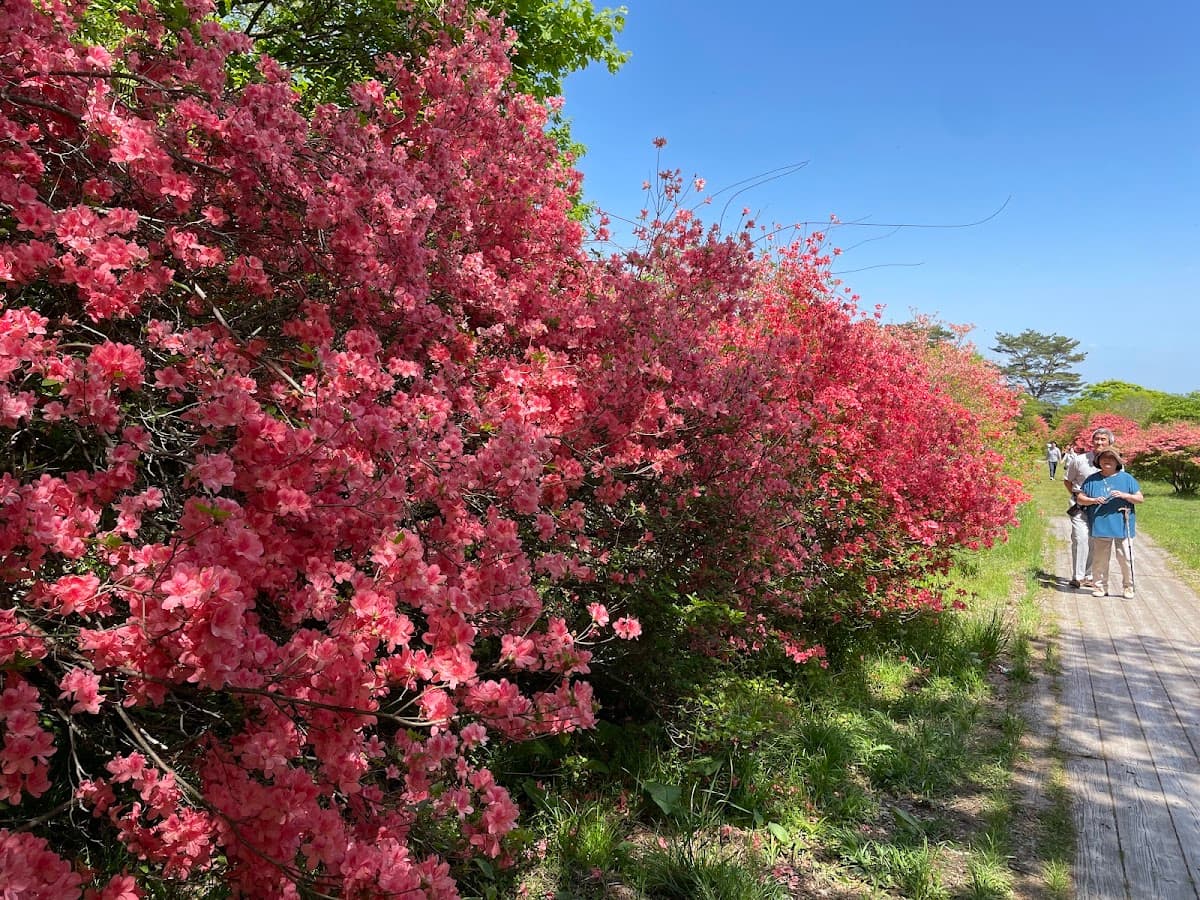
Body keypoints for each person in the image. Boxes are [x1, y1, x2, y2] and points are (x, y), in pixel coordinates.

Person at [1077, 447, 1143, 598]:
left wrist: (1125, 495)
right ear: (1098, 461)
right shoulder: (1092, 480)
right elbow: (1080, 498)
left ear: (1117, 462)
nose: (1107, 461)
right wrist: (1092, 500)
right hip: (1101, 523)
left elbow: (1140, 498)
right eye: (1103, 458)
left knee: (1126, 556)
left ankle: (1128, 587)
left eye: (1111, 458)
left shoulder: (1127, 478)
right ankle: (1100, 587)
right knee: (1100, 559)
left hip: (1122, 523)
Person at [1063, 428, 1114, 589]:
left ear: (1110, 442)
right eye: (1096, 439)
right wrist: (1079, 497)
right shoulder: (1079, 460)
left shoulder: (1115, 462)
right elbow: (1068, 481)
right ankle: (1077, 577)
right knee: (1080, 538)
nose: (1099, 442)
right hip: (1080, 507)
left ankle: (1089, 575)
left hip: (1101, 509)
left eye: (1103, 439)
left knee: (1095, 541)